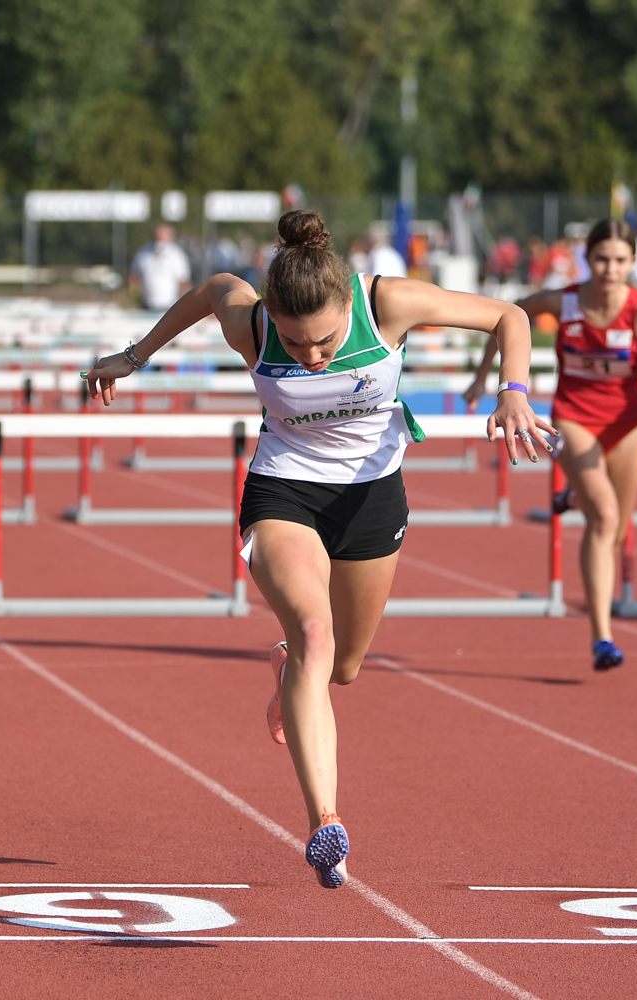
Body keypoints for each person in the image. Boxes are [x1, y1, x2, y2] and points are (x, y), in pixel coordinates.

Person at [86, 209, 551, 889]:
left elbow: (511, 315)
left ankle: (288, 677)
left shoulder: (386, 302)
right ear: (272, 318)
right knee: (313, 632)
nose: (311, 356)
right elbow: (212, 290)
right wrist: (133, 358)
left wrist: (514, 393)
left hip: (371, 498)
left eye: (326, 341)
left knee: (346, 668)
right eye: (296, 344)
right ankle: (324, 823)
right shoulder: (251, 322)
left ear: (347, 309)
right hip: (284, 492)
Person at [467, 219, 637, 672]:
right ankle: (602, 637)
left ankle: (574, 496)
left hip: (629, 427)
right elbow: (504, 318)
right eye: (602, 259)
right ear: (587, 258)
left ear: (633, 262)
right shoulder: (562, 302)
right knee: (604, 517)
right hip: (573, 419)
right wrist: (483, 377)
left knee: (614, 532)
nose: (610, 269)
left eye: (620, 260)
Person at [130, 224, 192, 310]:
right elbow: (134, 278)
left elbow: (183, 282)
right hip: (147, 306)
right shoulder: (142, 253)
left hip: (171, 307)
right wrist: (136, 299)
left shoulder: (177, 255)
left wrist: (183, 306)